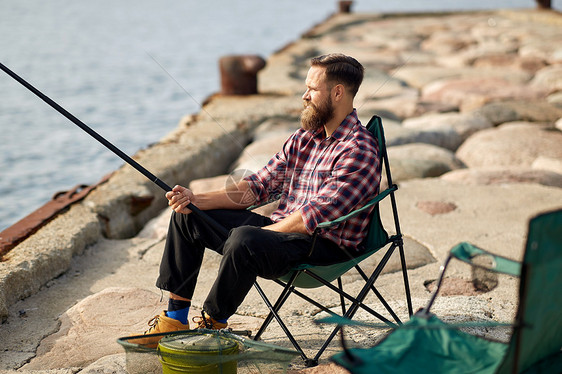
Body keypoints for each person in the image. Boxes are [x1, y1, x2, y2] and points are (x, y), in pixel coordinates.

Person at [140, 53, 381, 345]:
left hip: (325, 247)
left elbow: (312, 218)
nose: (304, 96)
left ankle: (212, 324)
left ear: (338, 92)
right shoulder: (305, 138)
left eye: (312, 90)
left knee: (244, 240)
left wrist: (259, 234)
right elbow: (258, 186)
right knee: (187, 215)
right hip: (285, 235)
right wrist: (196, 199)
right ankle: (174, 320)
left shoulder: (359, 149)